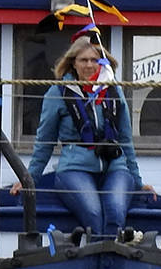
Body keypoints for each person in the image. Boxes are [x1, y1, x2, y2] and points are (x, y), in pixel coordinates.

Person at [20, 36, 141, 234]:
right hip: (74, 169)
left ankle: (108, 254)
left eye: (95, 60)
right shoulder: (57, 93)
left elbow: (126, 140)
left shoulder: (114, 92)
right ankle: (101, 252)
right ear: (73, 64)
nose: (89, 65)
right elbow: (44, 141)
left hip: (115, 167)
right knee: (93, 213)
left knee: (116, 211)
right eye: (83, 60)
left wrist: (139, 182)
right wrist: (29, 179)